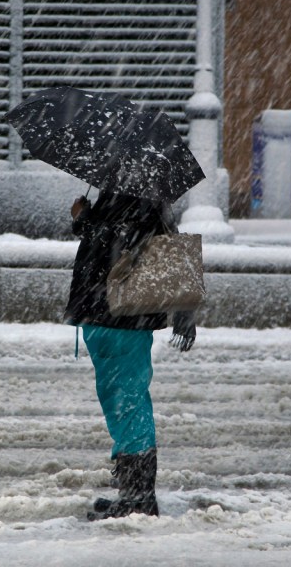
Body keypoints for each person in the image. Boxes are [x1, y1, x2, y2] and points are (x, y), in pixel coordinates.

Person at [65, 190, 196, 521]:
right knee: (123, 401)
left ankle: (138, 496)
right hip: (115, 317)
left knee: (128, 402)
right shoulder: (137, 196)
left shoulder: (138, 199)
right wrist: (87, 218)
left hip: (118, 316)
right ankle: (133, 490)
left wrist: (87, 219)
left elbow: (114, 246)